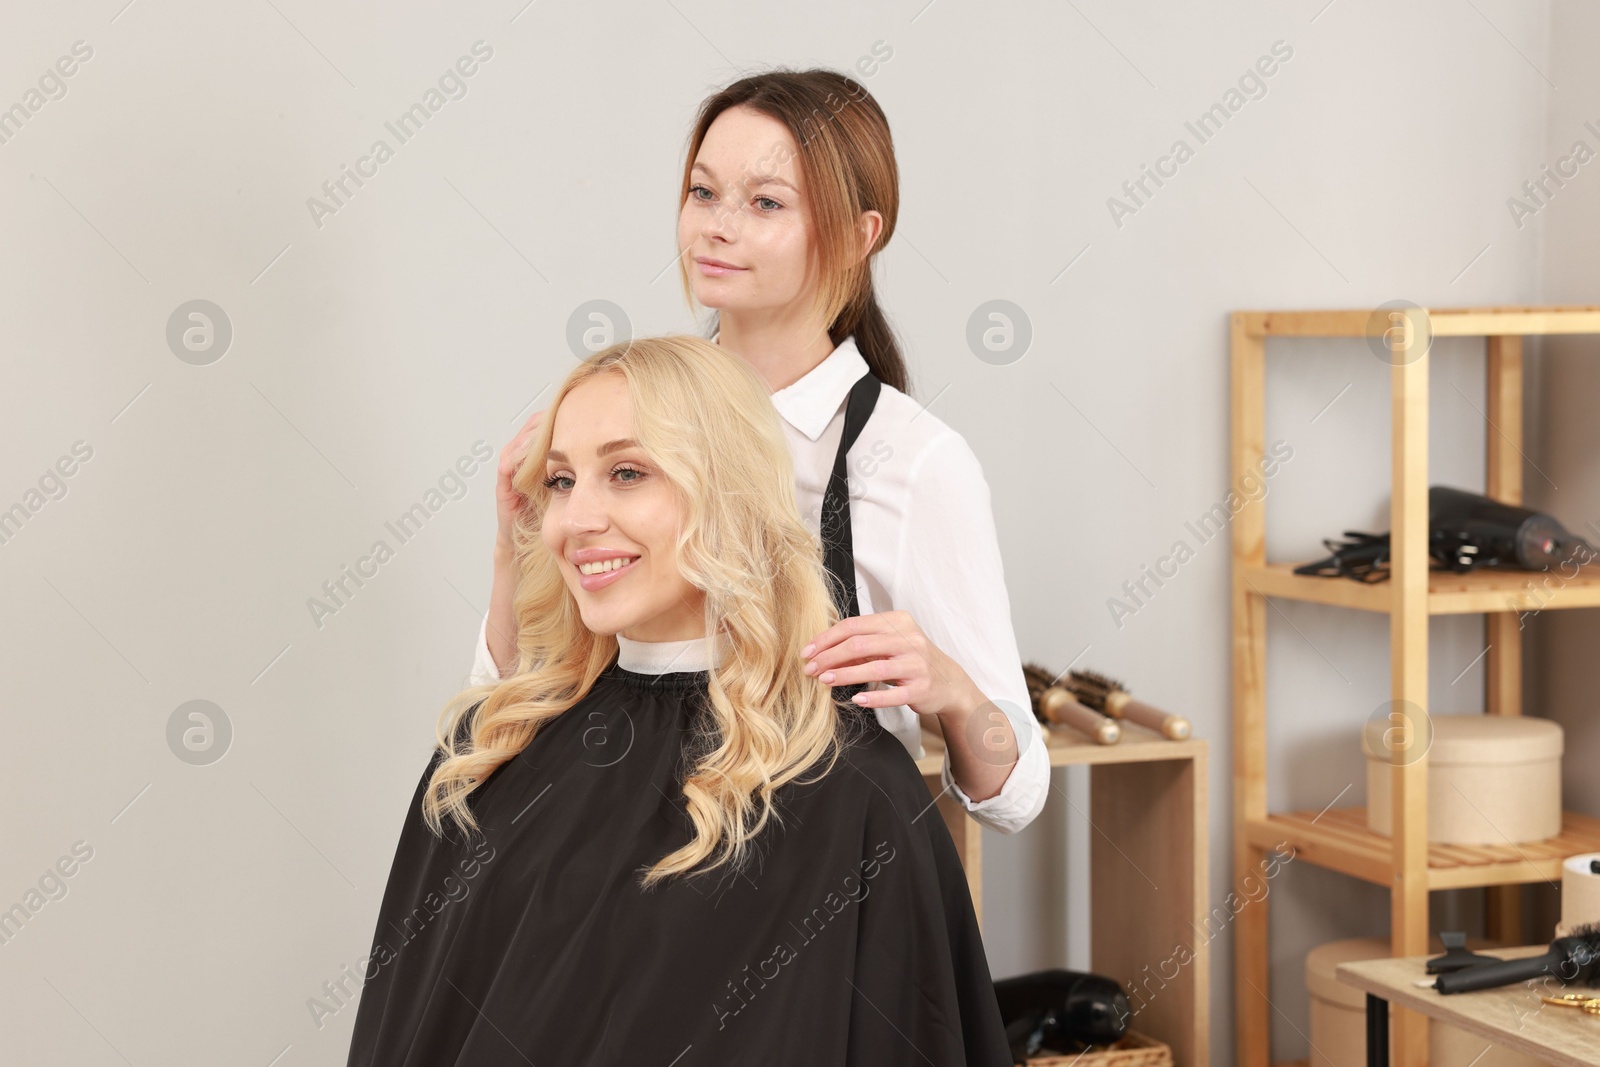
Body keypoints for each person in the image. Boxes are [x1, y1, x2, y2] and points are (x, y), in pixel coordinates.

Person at [345, 336, 1014, 1066]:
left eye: (627, 472)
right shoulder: (492, 752)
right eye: (562, 481)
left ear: (727, 492)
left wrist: (959, 696)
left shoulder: (847, 789)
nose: (576, 519)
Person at [470, 69, 1048, 834]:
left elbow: (1019, 791)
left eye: (765, 203)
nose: (714, 226)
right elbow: (507, 701)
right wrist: (515, 550)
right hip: (623, 856)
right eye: (702, 193)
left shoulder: (911, 461)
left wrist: (955, 692)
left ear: (855, 235)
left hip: (809, 890)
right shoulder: (627, 416)